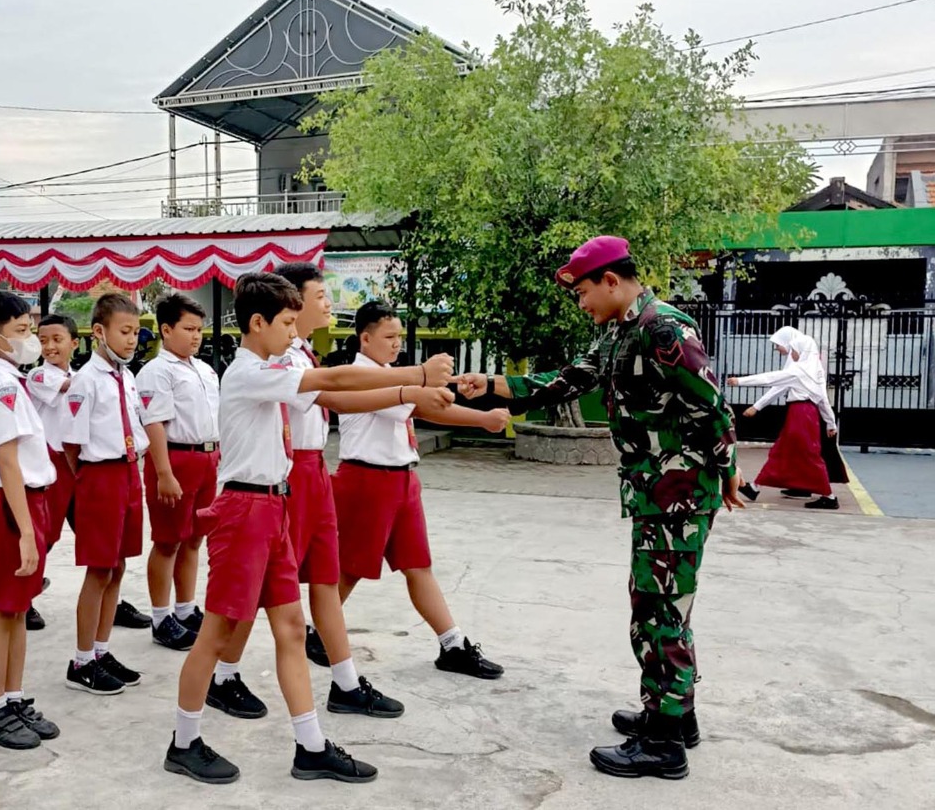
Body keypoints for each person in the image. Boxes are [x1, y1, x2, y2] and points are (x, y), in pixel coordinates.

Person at [460, 236, 745, 780]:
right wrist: (493, 386)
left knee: (657, 610)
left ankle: (663, 745)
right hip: (656, 491)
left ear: (612, 280)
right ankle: (674, 715)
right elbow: (567, 380)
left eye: (584, 291)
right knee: (664, 605)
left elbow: (709, 404)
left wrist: (727, 469)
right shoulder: (620, 332)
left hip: (678, 493)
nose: (581, 303)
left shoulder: (663, 328)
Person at [163, 271, 454, 786]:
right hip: (244, 512)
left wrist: (410, 385)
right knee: (215, 633)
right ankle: (184, 742)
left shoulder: (273, 364)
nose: (296, 332)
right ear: (257, 323)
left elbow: (332, 394)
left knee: (293, 630)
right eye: (289, 322)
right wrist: (416, 377)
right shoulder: (249, 371)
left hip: (275, 506)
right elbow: (334, 382)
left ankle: (311, 747)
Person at [334, 301, 510, 683]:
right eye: (389, 337)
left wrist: (464, 400)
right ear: (365, 339)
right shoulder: (362, 377)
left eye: (399, 337)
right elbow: (417, 405)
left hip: (400, 479)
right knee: (349, 569)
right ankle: (316, 633)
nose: (396, 344)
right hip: (367, 480)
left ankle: (452, 644)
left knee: (418, 565)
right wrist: (473, 411)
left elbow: (423, 402)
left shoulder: (388, 374)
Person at [0, 290, 60, 750]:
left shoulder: (13, 381)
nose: (32, 339)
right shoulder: (0, 385)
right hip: (7, 504)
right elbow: (6, 461)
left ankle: (14, 696)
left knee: (18, 608)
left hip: (26, 501)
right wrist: (26, 530)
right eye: (22, 331)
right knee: (2, 610)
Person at [62, 294, 148, 695]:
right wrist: (92, 481)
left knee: (117, 567)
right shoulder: (86, 380)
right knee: (99, 569)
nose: (132, 340)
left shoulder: (125, 376)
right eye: (124, 331)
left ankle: (100, 648)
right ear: (99, 332)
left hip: (129, 472)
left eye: (134, 332)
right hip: (101, 476)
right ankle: (81, 661)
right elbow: (71, 445)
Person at [135, 293, 218, 653]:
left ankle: (185, 609)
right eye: (188, 328)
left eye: (199, 329)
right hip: (175, 459)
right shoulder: (157, 371)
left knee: (194, 538)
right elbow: (154, 423)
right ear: (166, 330)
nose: (196, 336)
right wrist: (164, 474)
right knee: (168, 541)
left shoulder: (204, 368)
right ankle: (160, 616)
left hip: (207, 459)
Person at [727, 326, 844, 510]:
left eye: (795, 351)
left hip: (799, 414)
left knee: (807, 454)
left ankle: (829, 496)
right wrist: (830, 423)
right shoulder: (816, 371)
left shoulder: (798, 371)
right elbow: (823, 400)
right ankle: (754, 487)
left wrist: (740, 381)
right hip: (808, 414)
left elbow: (770, 378)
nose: (792, 354)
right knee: (783, 451)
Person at [25, 313, 83, 632]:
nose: (49, 347)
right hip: (52, 460)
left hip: (79, 458)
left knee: (94, 530)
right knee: (44, 534)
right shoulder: (38, 376)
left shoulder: (80, 373)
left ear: (74, 343)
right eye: (42, 340)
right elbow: (69, 388)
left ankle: (109, 600)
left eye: (57, 339)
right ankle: (26, 597)